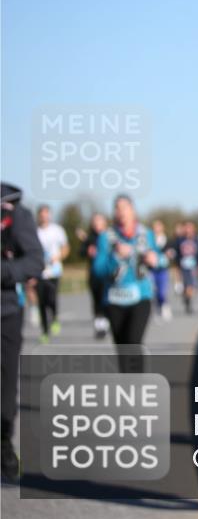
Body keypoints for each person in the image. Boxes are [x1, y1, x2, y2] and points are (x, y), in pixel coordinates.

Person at [92, 195, 167, 372]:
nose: (121, 212)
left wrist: (156, 259)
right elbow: (97, 269)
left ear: (132, 210)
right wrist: (115, 256)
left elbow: (162, 260)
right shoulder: (106, 237)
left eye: (124, 207)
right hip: (114, 300)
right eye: (117, 208)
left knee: (134, 342)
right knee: (122, 349)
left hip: (140, 298)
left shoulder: (146, 234)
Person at [1, 183, 44, 482]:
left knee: (4, 386)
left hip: (4, 313)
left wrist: (4, 271)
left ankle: (3, 443)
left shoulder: (11, 210)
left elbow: (34, 261)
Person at [32, 205, 68, 344]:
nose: (44, 217)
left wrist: (58, 257)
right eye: (41, 214)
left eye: (46, 214)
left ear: (50, 215)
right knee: (41, 302)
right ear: (38, 216)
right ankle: (44, 331)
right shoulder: (34, 231)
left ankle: (54, 318)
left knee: (51, 298)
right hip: (39, 271)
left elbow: (66, 248)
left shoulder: (57, 230)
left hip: (54, 270)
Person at [77, 214, 111, 337]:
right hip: (94, 274)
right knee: (96, 299)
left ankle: (106, 323)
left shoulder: (110, 236)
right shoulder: (90, 239)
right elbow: (80, 252)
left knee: (106, 299)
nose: (97, 224)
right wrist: (87, 251)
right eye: (94, 222)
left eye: (99, 221)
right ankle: (98, 325)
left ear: (104, 222)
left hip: (108, 275)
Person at [172, 221, 198, 315]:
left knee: (192, 286)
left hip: (193, 266)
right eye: (187, 227)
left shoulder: (197, 240)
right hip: (183, 266)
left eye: (190, 227)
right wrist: (177, 266)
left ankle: (187, 299)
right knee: (187, 285)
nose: (188, 229)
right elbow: (176, 253)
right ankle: (187, 300)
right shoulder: (180, 240)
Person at [150, 220, 173, 321]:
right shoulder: (149, 239)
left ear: (162, 227)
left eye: (158, 226)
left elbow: (172, 251)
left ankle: (164, 305)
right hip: (152, 269)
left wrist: (170, 254)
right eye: (155, 226)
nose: (156, 228)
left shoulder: (167, 239)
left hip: (163, 268)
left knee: (162, 290)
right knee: (153, 291)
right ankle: (157, 309)